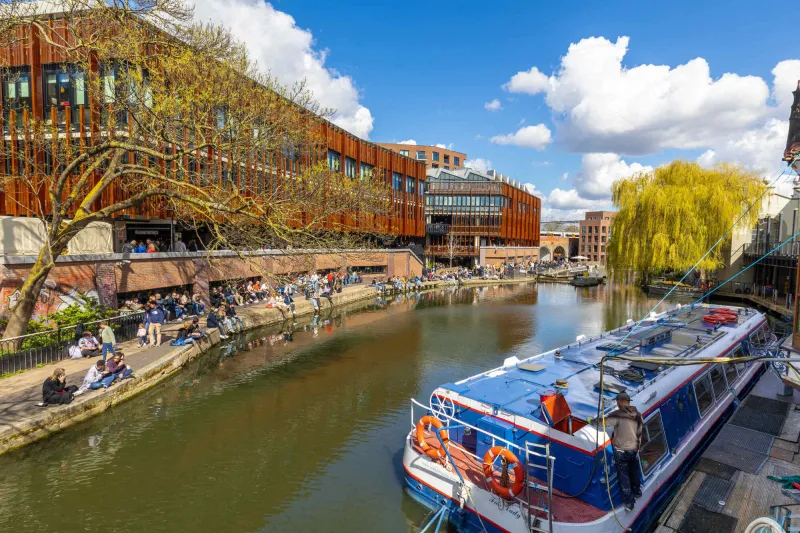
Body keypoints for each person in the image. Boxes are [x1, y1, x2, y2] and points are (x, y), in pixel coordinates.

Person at [599, 392, 644, 511]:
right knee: (634, 471)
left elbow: (603, 423)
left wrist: (590, 421)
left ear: (621, 402)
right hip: (634, 449)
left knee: (624, 477)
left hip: (621, 451)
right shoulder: (638, 415)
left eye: (617, 401)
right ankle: (637, 491)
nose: (617, 404)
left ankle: (629, 503)